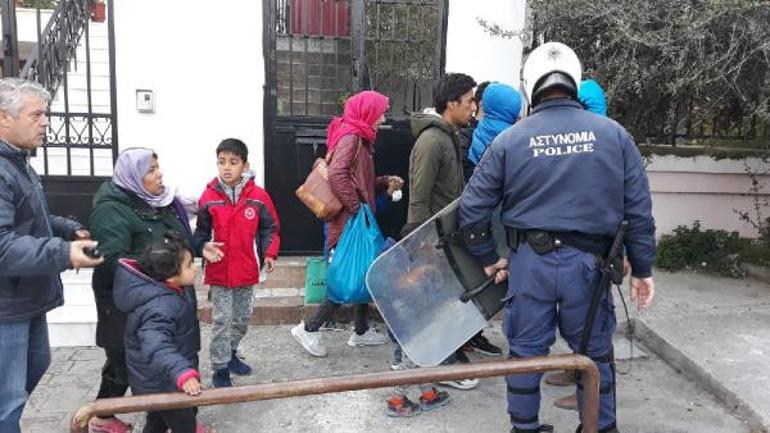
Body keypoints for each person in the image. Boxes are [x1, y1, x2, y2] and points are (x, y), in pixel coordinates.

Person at [458, 42, 656, 433]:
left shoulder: (510, 140)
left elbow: (472, 208)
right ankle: (599, 426)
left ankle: (525, 427)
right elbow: (638, 209)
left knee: (526, 355)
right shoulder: (614, 135)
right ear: (574, 81)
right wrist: (643, 269)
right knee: (595, 355)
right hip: (591, 268)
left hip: (530, 265)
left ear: (531, 85)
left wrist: (486, 255)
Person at [89, 147, 222, 433]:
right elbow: (111, 260)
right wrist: (163, 273)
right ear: (133, 177)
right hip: (133, 298)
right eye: (150, 170)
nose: (159, 173)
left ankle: (166, 416)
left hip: (170, 289)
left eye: (157, 167)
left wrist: (198, 248)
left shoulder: (160, 201)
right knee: (127, 359)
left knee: (175, 351)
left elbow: (176, 240)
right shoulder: (112, 209)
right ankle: (104, 414)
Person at [0, 78, 104, 433]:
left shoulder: (18, 163)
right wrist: (64, 253)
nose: (46, 122)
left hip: (26, 296)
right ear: (4, 119)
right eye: (37, 114)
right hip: (6, 305)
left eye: (46, 114)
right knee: (8, 399)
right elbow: (3, 246)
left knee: (34, 370)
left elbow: (32, 215)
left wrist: (65, 229)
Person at [387, 73, 479, 418]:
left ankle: (430, 374)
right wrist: (417, 242)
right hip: (429, 240)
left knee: (437, 307)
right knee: (420, 310)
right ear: (451, 103)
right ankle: (404, 385)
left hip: (444, 238)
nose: (474, 106)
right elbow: (419, 195)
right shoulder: (431, 141)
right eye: (469, 100)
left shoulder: (449, 137)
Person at [291, 90, 402, 357]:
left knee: (365, 268)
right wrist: (355, 210)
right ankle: (309, 328)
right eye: (381, 111)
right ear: (368, 112)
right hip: (346, 222)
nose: (383, 116)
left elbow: (357, 181)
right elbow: (338, 175)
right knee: (346, 275)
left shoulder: (360, 138)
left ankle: (361, 331)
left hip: (353, 219)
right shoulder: (352, 137)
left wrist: (383, 182)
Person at [194, 138, 281, 387]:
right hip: (219, 271)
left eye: (233, 162)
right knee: (222, 321)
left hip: (246, 269)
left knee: (242, 318)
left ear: (245, 165)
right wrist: (202, 247)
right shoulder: (209, 197)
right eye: (221, 162)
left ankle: (231, 354)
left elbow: (270, 228)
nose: (226, 167)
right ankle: (220, 370)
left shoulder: (258, 197)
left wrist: (269, 254)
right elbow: (200, 234)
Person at [113, 232, 207, 433]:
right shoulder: (159, 307)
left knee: (158, 419)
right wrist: (181, 372)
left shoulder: (171, 289)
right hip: (163, 381)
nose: (195, 269)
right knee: (185, 423)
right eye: (189, 265)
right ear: (171, 276)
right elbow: (156, 345)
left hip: (161, 377)